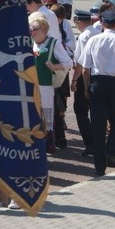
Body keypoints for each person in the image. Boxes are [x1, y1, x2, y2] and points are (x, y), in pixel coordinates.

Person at [78, 9, 115, 176]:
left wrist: (87, 87)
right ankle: (111, 150)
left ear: (102, 23)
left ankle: (99, 165)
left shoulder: (93, 40)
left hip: (97, 83)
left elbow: (85, 69)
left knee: (97, 123)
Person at [29, 13, 73, 153]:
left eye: (35, 29)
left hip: (45, 85)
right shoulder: (30, 42)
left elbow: (68, 63)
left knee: (47, 113)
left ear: (43, 30)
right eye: (31, 29)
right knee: (32, 114)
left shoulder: (54, 43)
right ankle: (34, 142)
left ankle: (48, 142)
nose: (32, 32)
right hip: (30, 85)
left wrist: (54, 67)